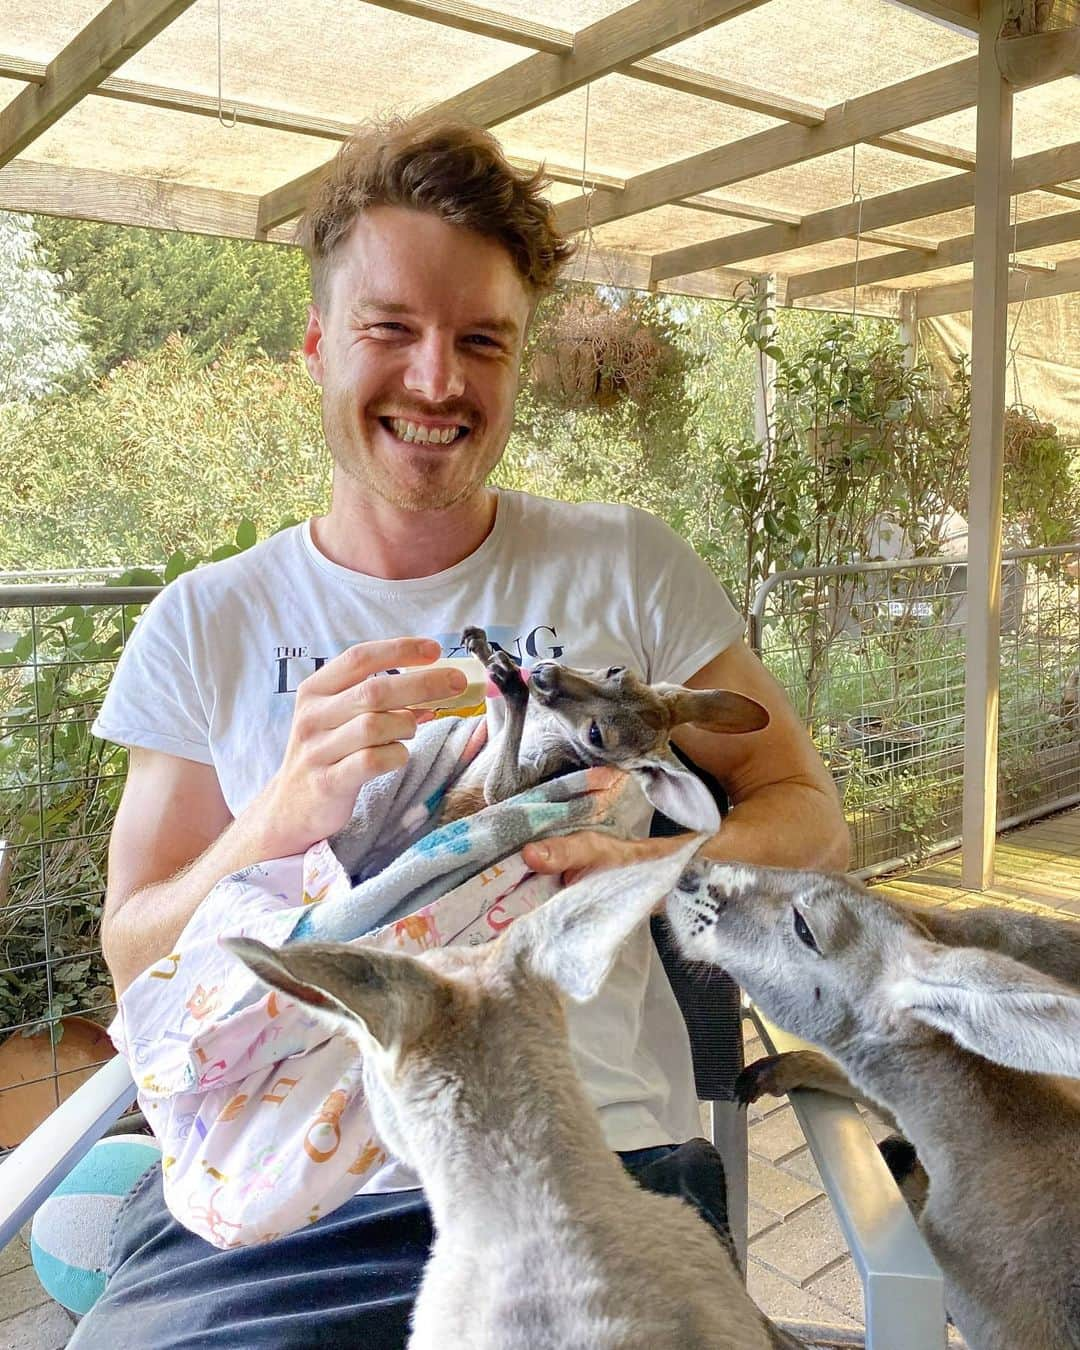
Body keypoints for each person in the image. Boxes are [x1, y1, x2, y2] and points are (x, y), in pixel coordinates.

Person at [72, 116, 848, 1347]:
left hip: (593, 1165)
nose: (438, 382)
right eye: (390, 330)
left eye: (480, 340)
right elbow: (134, 952)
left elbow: (807, 813)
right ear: (318, 347)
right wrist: (276, 823)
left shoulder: (628, 565)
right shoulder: (206, 622)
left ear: (518, 358)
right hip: (293, 1209)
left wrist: (655, 866)